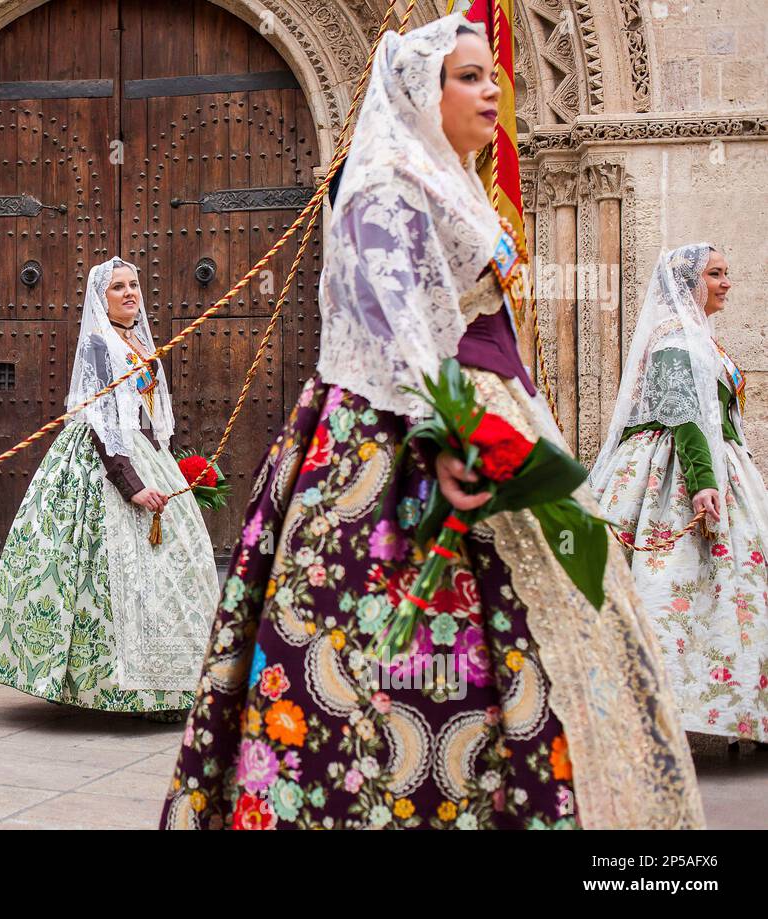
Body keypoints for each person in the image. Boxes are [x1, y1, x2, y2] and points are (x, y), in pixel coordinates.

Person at [160, 15, 703, 829]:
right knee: (381, 660)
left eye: (494, 75)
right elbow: (394, 313)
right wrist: (449, 431)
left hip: (483, 404)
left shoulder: (447, 175)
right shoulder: (386, 178)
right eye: (470, 77)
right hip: (404, 434)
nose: (494, 91)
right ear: (421, 90)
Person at [0, 256, 219, 717]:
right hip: (107, 460)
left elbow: (149, 417)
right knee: (108, 573)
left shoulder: (140, 343)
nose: (129, 293)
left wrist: (165, 466)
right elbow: (102, 420)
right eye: (117, 288)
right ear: (100, 299)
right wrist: (132, 485)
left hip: (145, 453)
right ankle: (111, 686)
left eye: (134, 285)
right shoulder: (98, 347)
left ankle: (174, 683)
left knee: (174, 568)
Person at [591, 243, 768, 744]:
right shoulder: (675, 340)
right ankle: (655, 705)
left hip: (719, 462)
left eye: (727, 272)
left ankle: (728, 703)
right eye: (716, 274)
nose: (727, 283)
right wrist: (703, 483)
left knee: (727, 585)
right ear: (687, 282)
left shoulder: (701, 339)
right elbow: (685, 416)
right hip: (679, 471)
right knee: (670, 582)